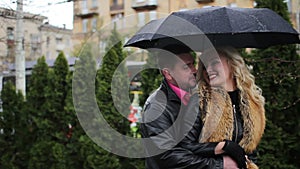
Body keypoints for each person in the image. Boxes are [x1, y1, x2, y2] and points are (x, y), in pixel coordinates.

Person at [140, 45, 242, 169]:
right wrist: (220, 165)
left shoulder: (201, 97)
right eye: (186, 66)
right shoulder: (156, 107)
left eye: (193, 64)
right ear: (168, 74)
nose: (194, 70)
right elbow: (167, 156)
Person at [180, 46, 266, 169]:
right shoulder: (200, 101)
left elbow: (251, 151)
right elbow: (185, 146)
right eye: (204, 66)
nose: (208, 70)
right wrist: (224, 147)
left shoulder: (253, 102)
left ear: (232, 63)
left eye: (214, 63)